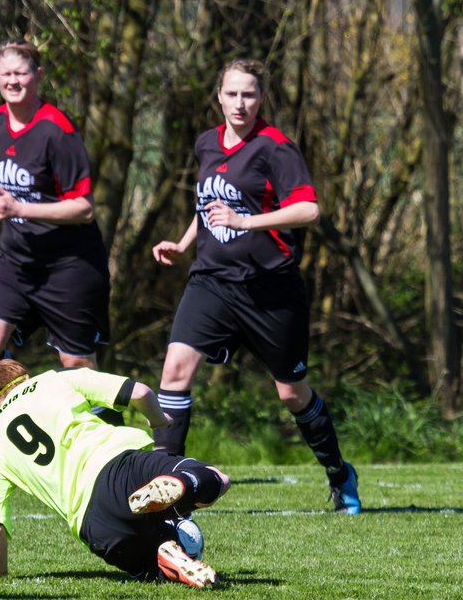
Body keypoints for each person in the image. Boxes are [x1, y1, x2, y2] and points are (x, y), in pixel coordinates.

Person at [151, 59, 361, 514]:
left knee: (291, 394)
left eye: (249, 94)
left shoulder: (276, 147)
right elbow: (209, 201)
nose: (240, 103)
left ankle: (339, 473)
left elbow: (308, 211)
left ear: (260, 98)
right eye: (232, 94)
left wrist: (247, 221)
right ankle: (167, 491)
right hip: (211, 281)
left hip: (269, 289)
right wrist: (184, 243)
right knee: (174, 372)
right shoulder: (206, 142)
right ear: (219, 96)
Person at [0, 359, 230, 588]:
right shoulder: (54, 378)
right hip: (120, 466)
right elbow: (140, 392)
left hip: (93, 523)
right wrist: (158, 420)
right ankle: (183, 482)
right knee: (216, 478)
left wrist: (0, 579)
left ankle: (164, 556)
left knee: (151, 569)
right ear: (26, 377)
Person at [0, 39, 110, 369]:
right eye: (5, 74)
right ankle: (23, 410)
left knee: (76, 365)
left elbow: (84, 209)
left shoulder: (57, 131)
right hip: (15, 261)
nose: (12, 81)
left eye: (21, 73)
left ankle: (103, 419)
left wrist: (17, 210)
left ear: (38, 75)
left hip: (68, 264)